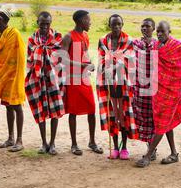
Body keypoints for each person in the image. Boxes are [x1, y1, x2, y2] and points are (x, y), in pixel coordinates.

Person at [136, 21, 181, 167]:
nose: (159, 34)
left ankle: (148, 155)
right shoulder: (156, 46)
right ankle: (174, 153)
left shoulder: (177, 46)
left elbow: (179, 70)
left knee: (163, 123)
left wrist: (170, 86)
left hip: (172, 91)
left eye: (162, 31)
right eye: (157, 32)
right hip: (158, 91)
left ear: (170, 31)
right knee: (165, 122)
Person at [61, 10, 103, 155]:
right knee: (73, 112)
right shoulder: (68, 37)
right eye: (88, 20)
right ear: (80, 21)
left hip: (84, 78)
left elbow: (84, 53)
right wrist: (82, 65)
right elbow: (63, 59)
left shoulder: (85, 35)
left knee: (91, 109)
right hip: (73, 79)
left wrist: (89, 64)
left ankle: (92, 142)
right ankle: (74, 144)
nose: (90, 22)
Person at [97, 14, 137, 160]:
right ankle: (115, 147)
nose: (116, 27)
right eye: (113, 24)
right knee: (112, 116)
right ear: (109, 25)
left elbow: (131, 64)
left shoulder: (128, 41)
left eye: (119, 24)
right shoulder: (103, 41)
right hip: (107, 85)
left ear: (122, 24)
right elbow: (101, 62)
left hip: (124, 85)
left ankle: (124, 148)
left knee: (124, 116)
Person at [25, 12, 65, 155]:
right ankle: (43, 143)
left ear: (51, 23)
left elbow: (61, 59)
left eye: (47, 24)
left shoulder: (57, 38)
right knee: (40, 109)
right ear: (38, 22)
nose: (45, 26)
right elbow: (29, 60)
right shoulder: (32, 39)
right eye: (42, 24)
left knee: (55, 110)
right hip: (37, 78)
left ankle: (53, 143)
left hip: (54, 79)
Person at [0, 8, 26, 152]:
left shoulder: (14, 34)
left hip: (13, 75)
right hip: (3, 75)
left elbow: (18, 56)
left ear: (2, 20)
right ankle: (10, 138)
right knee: (8, 106)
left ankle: (19, 140)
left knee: (17, 106)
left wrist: (10, 72)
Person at [132, 18, 158, 160]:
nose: (144, 28)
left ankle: (152, 148)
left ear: (153, 29)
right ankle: (150, 147)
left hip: (155, 86)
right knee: (143, 117)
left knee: (154, 118)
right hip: (140, 86)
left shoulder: (158, 44)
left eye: (147, 26)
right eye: (142, 26)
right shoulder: (135, 44)